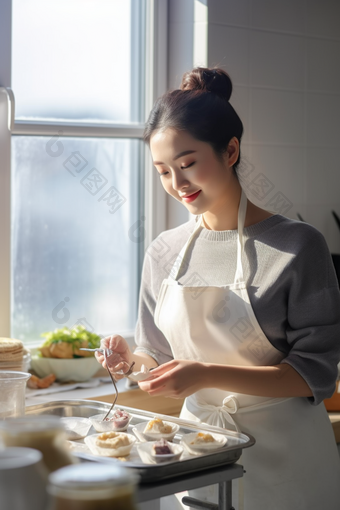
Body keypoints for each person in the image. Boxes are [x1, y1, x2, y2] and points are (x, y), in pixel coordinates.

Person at [96, 67, 340, 510]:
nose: (178, 185)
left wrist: (205, 374)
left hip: (291, 463)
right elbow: (156, 356)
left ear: (230, 151)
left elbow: (316, 374)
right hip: (201, 453)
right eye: (163, 171)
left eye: (187, 164)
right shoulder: (164, 251)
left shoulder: (298, 245)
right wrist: (127, 361)